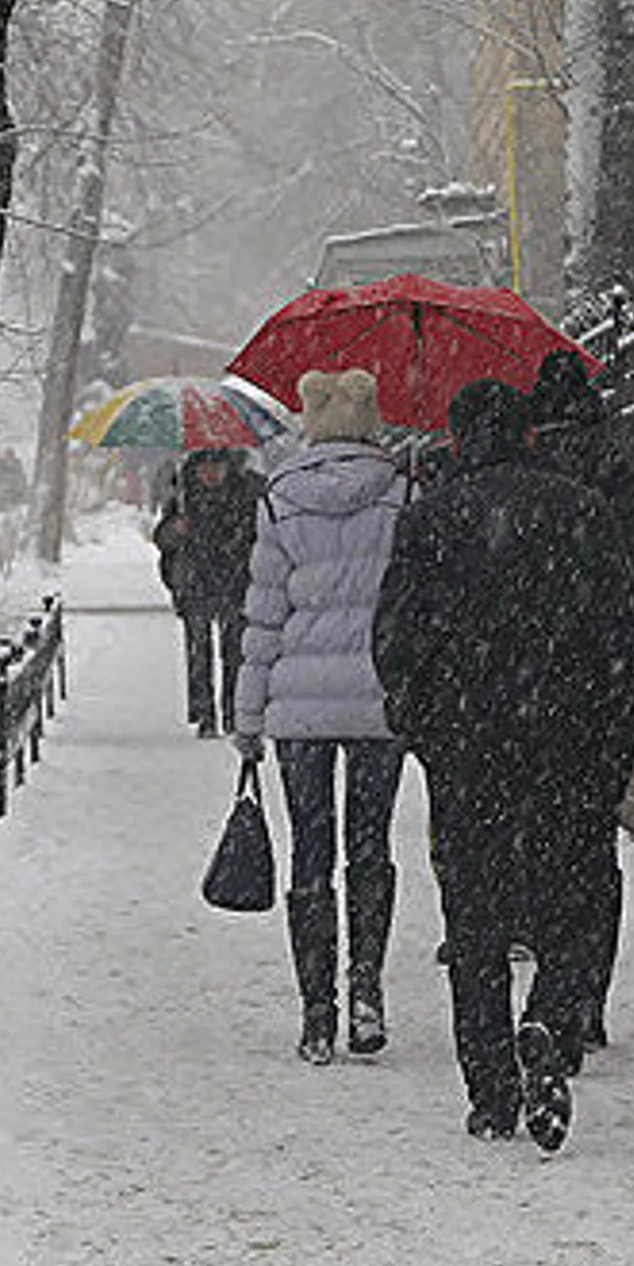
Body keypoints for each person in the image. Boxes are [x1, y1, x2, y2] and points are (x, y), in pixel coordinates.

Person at [373, 378, 634, 1150]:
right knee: (568, 895)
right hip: (563, 738)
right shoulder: (583, 514)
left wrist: (423, 721)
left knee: (474, 915)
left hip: (468, 746)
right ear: (528, 434)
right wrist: (608, 734)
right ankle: (551, 1016)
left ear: (460, 438)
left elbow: (397, 637)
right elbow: (621, 639)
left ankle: (491, 1088)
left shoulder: (430, 519)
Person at [233, 370, 412, 1066]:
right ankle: (366, 986)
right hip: (378, 701)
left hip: (298, 711)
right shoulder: (401, 493)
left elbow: (264, 619)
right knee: (370, 846)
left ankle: (316, 1014)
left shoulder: (279, 500)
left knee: (312, 849)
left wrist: (248, 721)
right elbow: (411, 605)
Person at [524, 348, 634, 1061]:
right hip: (607, 691)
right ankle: (588, 995)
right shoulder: (618, 476)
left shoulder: (527, 481)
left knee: (540, 839)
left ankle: (553, 982)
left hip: (530, 691)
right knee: (593, 844)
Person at [154, 445, 261, 736]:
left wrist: (240, 540)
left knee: (234, 653)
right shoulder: (183, 494)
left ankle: (232, 712)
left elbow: (257, 535)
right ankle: (205, 713)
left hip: (234, 581)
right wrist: (176, 529)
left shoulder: (245, 492)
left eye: (217, 467)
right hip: (195, 583)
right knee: (198, 651)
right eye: (204, 468)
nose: (211, 474)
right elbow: (162, 539)